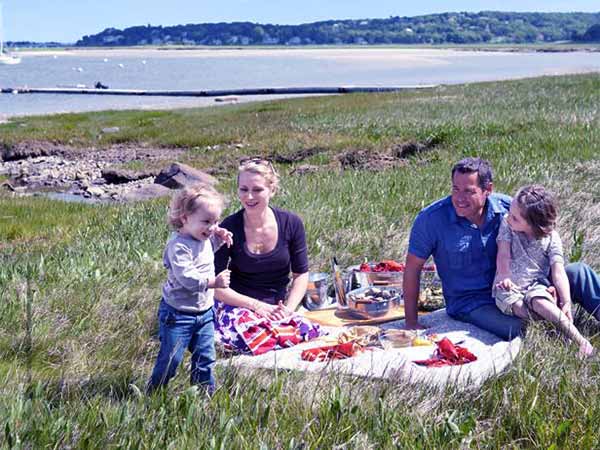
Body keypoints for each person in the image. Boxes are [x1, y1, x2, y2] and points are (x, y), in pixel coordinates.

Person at [403, 157, 600, 340]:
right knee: (523, 329)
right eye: (455, 189)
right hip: (473, 302)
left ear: (487, 189)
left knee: (579, 272)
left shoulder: (509, 208)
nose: (459, 198)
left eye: (469, 191)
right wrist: (411, 322)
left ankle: (560, 312)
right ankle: (562, 326)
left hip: (525, 285)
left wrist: (548, 284)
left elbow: (541, 237)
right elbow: (412, 269)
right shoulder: (430, 220)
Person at [213, 157, 323, 354]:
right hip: (239, 303)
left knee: (304, 330)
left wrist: (288, 309)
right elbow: (216, 287)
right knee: (249, 333)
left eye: (257, 190)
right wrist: (256, 306)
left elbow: (301, 274)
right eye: (243, 189)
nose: (249, 197)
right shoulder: (228, 228)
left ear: (272, 190)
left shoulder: (291, 223)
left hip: (277, 307)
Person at [147, 183, 233, 393]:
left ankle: (204, 396)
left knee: (205, 359)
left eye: (215, 221)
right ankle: (154, 394)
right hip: (177, 315)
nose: (211, 227)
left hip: (204, 313)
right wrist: (214, 283)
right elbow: (188, 278)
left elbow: (208, 249)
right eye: (206, 221)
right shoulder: (179, 246)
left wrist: (219, 237)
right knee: (171, 359)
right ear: (185, 218)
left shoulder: (202, 238)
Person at [493, 184, 593, 356]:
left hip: (535, 284)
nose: (510, 217)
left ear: (533, 225)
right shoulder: (507, 225)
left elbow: (558, 271)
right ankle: (556, 330)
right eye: (511, 212)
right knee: (517, 306)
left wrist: (566, 302)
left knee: (541, 302)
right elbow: (503, 253)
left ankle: (581, 341)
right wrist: (504, 275)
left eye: (516, 218)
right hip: (508, 285)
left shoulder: (551, 239)